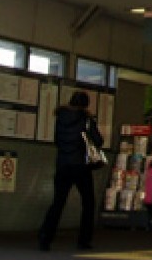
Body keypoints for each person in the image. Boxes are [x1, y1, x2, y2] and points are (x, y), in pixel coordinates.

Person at [38, 90, 104, 251]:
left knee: (58, 203)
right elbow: (98, 140)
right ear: (85, 104)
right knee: (88, 203)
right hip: (81, 167)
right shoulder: (86, 119)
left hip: (62, 166)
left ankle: (45, 238)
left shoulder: (60, 118)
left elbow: (57, 141)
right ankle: (83, 240)